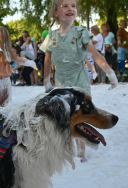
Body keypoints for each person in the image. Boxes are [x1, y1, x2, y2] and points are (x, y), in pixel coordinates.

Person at [40, 0, 118, 162]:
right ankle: (70, 151)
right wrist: (47, 81)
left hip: (79, 80)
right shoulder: (51, 36)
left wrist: (109, 72)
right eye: (65, 6)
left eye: (73, 6)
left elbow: (95, 54)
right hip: (61, 82)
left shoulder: (81, 32)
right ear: (56, 12)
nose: (71, 9)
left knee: (81, 115)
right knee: (67, 117)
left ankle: (82, 152)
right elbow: (47, 60)